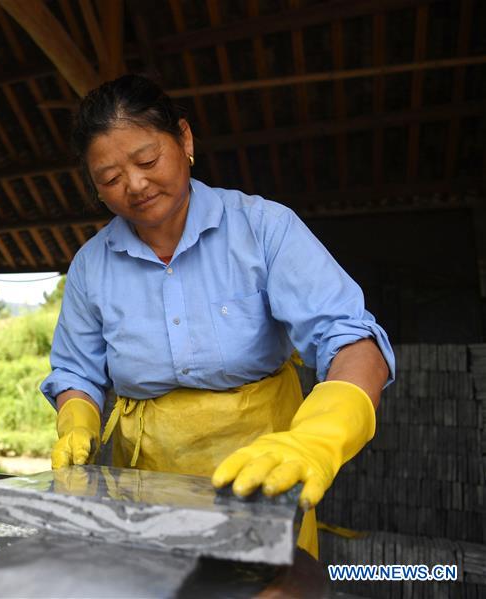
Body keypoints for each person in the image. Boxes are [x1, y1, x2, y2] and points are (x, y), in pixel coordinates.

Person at [39, 74, 394, 559]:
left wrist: (320, 437)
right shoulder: (90, 265)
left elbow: (352, 341)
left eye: (147, 161)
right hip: (144, 488)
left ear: (184, 139)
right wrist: (77, 419)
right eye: (110, 179)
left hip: (265, 480)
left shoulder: (263, 227)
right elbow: (78, 371)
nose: (136, 185)